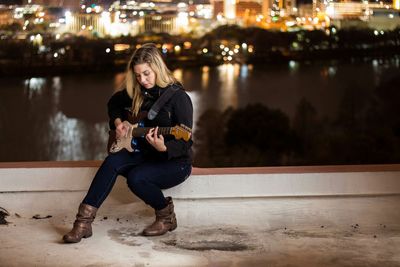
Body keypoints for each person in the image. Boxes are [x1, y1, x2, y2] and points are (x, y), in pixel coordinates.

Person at [63, 43, 193, 243]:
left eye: (147, 74)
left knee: (136, 177)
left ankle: (166, 217)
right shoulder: (138, 91)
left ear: (158, 67)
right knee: (111, 161)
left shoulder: (179, 98)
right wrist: (117, 123)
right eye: (138, 75)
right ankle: (83, 224)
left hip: (175, 162)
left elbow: (186, 143)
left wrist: (164, 147)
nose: (143, 80)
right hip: (145, 153)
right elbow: (113, 103)